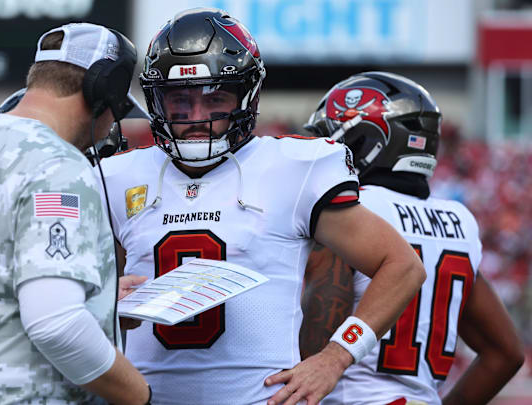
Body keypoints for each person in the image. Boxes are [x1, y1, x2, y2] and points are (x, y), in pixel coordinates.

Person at [98, 8, 426, 405]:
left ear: (246, 96)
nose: (198, 117)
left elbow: (403, 266)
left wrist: (336, 357)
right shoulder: (116, 176)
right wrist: (103, 303)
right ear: (156, 100)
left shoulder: (293, 168)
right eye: (180, 100)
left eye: (215, 98)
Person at [0, 23, 151, 404]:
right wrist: (142, 396)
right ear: (104, 90)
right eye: (118, 107)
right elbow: (56, 324)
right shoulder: (58, 166)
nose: (111, 126)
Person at [302, 71, 525, 405]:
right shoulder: (458, 221)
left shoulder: (352, 210)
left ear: (365, 142)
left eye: (329, 140)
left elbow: (311, 354)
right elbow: (505, 353)